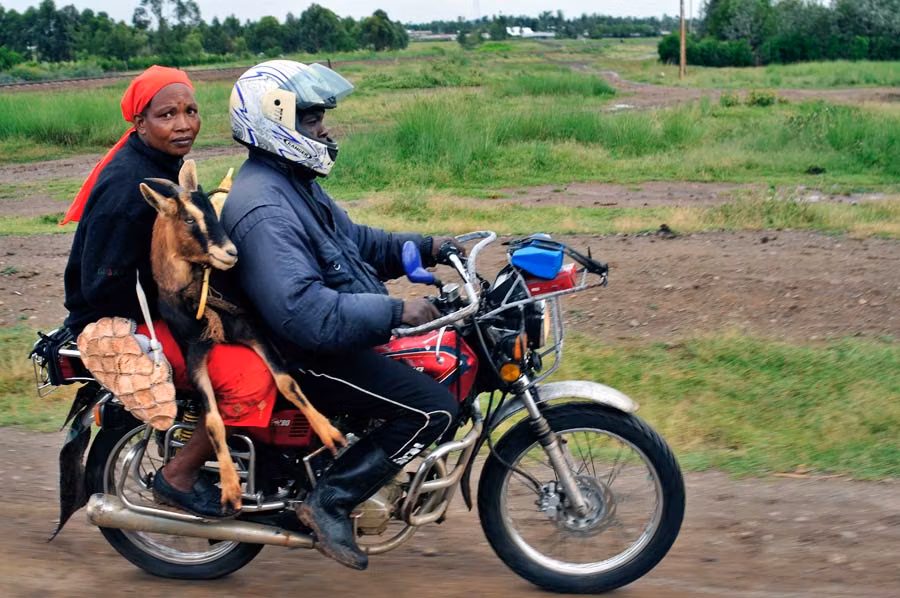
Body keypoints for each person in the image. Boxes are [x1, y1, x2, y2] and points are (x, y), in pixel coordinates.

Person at [221, 60, 464, 570]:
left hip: (325, 339)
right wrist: (397, 310)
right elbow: (304, 312)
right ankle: (328, 500)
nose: (324, 130)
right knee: (433, 408)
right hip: (302, 353)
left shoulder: (292, 183)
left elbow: (357, 244)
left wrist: (431, 246)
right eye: (311, 121)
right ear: (276, 122)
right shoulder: (264, 207)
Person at [62, 65, 278, 518]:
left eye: (191, 111)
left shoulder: (163, 164)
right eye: (167, 115)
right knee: (248, 376)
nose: (183, 124)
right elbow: (101, 287)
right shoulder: (128, 188)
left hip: (159, 302)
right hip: (119, 317)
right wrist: (186, 292)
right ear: (139, 124)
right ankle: (177, 474)